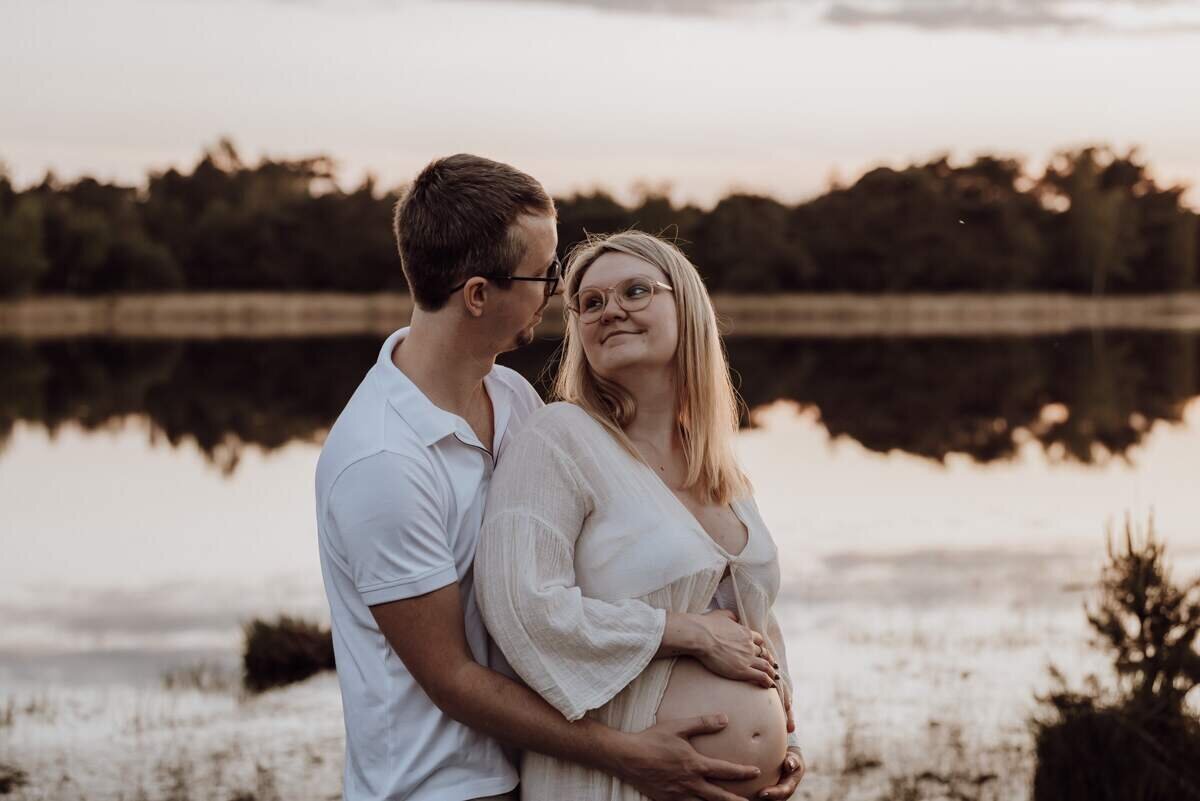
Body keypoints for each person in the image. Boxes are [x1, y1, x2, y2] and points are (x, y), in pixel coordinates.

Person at [314, 155, 770, 801]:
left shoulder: (513, 400)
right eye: (547, 273)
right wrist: (629, 755)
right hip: (439, 788)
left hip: (526, 771)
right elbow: (452, 677)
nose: (558, 289)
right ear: (478, 295)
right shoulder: (382, 463)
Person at [476, 231, 807, 801]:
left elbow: (756, 625)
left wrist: (786, 740)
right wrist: (682, 633)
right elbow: (521, 607)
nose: (611, 312)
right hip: (616, 781)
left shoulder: (717, 464)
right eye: (590, 303)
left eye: (635, 291)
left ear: (688, 309)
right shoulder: (559, 438)